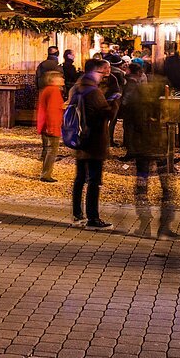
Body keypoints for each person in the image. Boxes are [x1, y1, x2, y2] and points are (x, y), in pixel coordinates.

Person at [122, 74, 180, 240]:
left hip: (142, 150)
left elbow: (130, 122)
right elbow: (171, 120)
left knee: (142, 184)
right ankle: (164, 227)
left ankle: (144, 222)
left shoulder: (137, 101)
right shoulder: (160, 103)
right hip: (160, 149)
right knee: (167, 187)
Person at [70, 59, 112, 230]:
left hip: (79, 139)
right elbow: (103, 115)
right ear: (96, 72)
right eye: (103, 72)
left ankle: (77, 214)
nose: (104, 77)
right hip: (93, 141)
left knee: (80, 178)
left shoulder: (77, 88)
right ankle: (93, 218)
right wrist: (115, 102)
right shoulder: (94, 92)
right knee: (94, 180)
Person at [36, 70, 65, 182]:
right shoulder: (54, 91)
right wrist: (52, 127)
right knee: (52, 150)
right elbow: (52, 110)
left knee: (48, 150)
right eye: (60, 77)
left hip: (44, 124)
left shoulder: (47, 89)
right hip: (51, 125)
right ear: (54, 79)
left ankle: (45, 173)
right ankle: (46, 175)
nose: (62, 79)